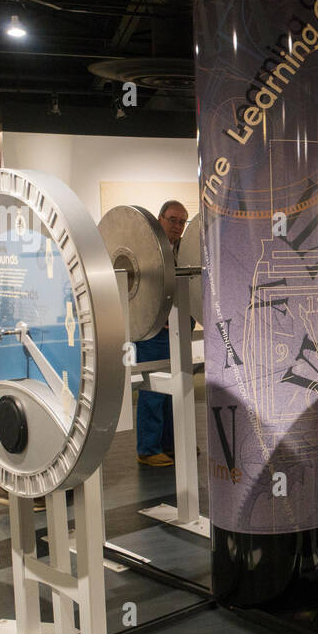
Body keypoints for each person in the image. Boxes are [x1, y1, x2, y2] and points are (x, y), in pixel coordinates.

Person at [136, 200, 189, 468]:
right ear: (159, 219)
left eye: (182, 222)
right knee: (153, 390)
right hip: (152, 331)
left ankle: (169, 443)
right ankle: (148, 448)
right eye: (173, 220)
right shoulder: (147, 250)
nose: (177, 226)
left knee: (173, 389)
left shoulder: (183, 251)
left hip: (175, 331)